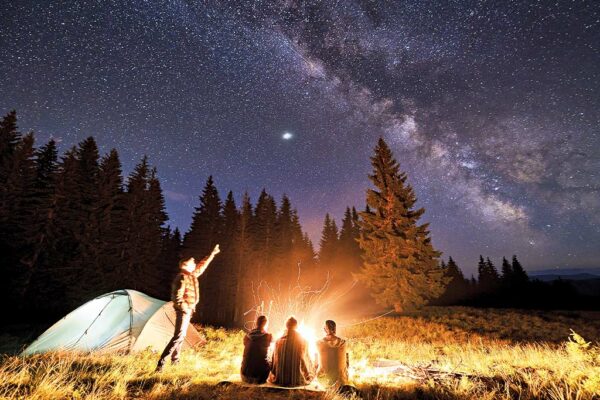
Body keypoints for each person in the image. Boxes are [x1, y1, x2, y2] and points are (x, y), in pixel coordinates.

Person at [155, 244, 221, 372]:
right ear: (185, 265)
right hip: (183, 311)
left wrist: (212, 254)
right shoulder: (182, 277)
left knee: (181, 335)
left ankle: (175, 361)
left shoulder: (192, 276)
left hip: (188, 310)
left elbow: (202, 266)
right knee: (178, 336)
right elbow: (176, 297)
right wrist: (184, 308)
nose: (194, 262)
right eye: (192, 261)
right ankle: (161, 364)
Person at [268, 316, 314, 387]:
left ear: (286, 326)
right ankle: (302, 375)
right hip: (296, 379)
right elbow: (305, 359)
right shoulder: (303, 341)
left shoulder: (278, 341)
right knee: (306, 358)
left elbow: (274, 361)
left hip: (280, 379)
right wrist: (308, 373)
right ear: (296, 326)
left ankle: (281, 375)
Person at [316, 320, 349, 387]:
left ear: (325, 329)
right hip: (342, 380)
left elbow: (316, 362)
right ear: (334, 328)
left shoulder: (319, 343)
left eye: (324, 327)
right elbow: (347, 360)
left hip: (324, 381)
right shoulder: (343, 342)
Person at [241, 315, 273, 384]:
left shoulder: (247, 335)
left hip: (244, 375)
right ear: (265, 323)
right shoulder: (267, 336)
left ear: (256, 322)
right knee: (272, 360)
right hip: (259, 378)